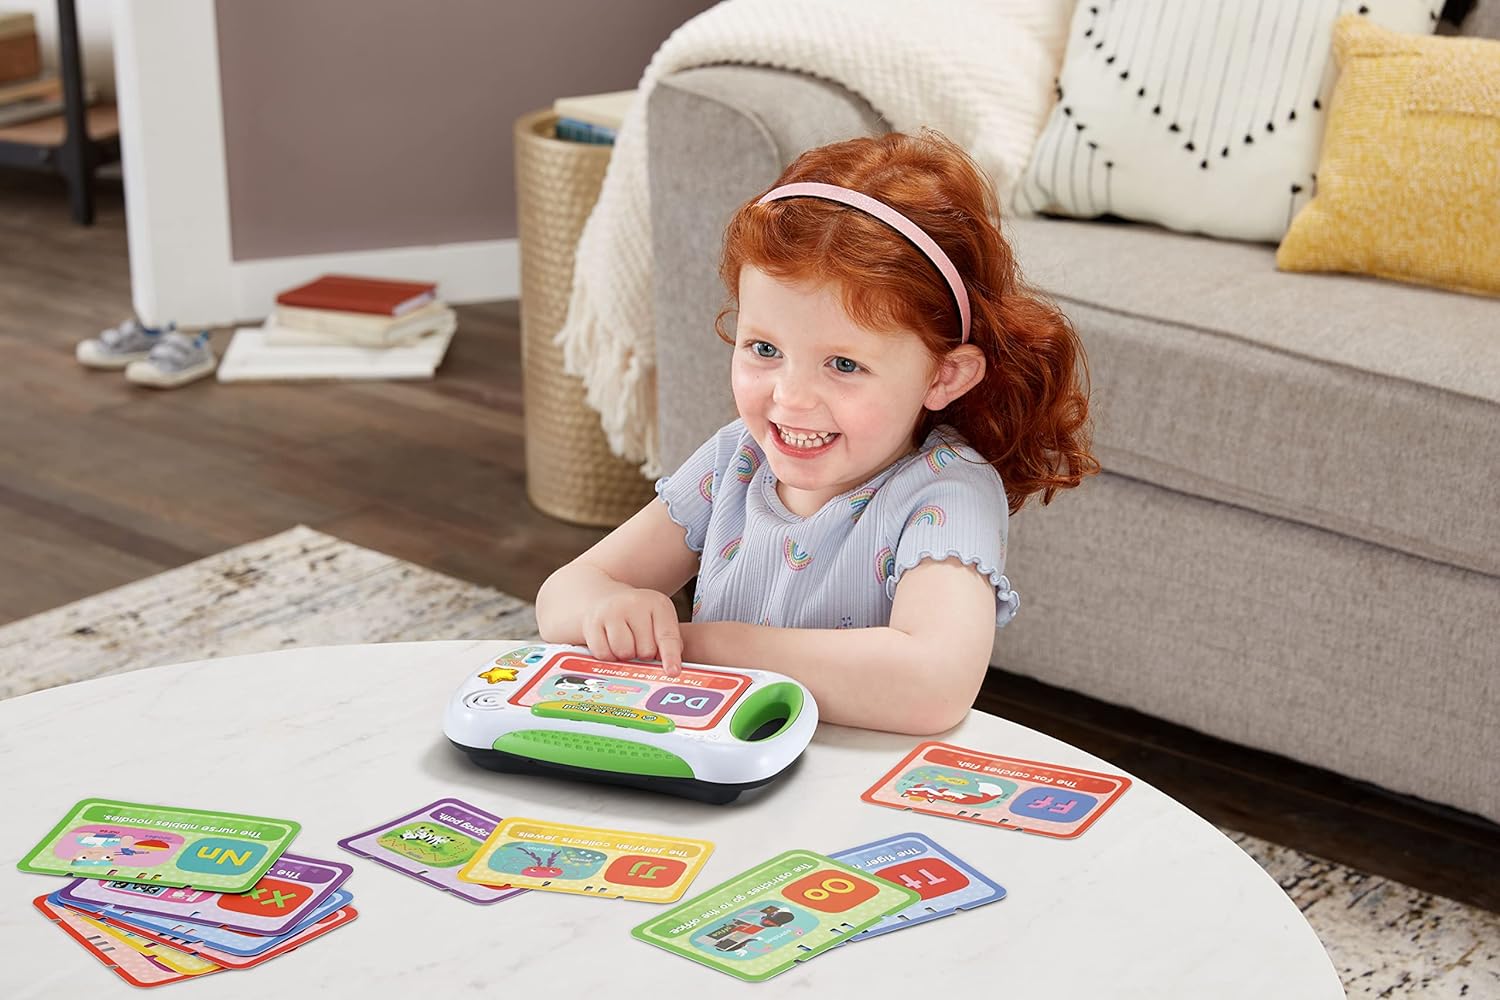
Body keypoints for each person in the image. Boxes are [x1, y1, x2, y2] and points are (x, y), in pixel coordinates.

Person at [536, 130, 1097, 734]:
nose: (791, 397)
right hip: (720, 767)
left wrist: (700, 646)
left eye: (845, 364)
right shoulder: (737, 457)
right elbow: (561, 595)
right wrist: (610, 609)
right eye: (764, 348)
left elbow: (933, 685)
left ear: (944, 375)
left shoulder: (945, 491)